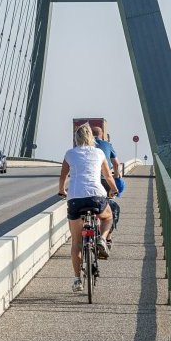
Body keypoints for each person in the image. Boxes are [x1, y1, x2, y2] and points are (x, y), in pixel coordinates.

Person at [58, 123, 118, 293]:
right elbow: (107, 176)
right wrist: (114, 189)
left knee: (76, 242)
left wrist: (62, 191)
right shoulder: (99, 152)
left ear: (76, 139)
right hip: (96, 196)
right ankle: (102, 238)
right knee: (107, 217)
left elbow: (63, 177)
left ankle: (77, 279)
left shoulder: (69, 154)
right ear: (91, 138)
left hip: (75, 197)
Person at [92, 124, 123, 243]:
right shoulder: (107, 145)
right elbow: (116, 164)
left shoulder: (86, 146)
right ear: (102, 135)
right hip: (104, 181)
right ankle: (107, 238)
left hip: (89, 181)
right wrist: (116, 176)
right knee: (111, 206)